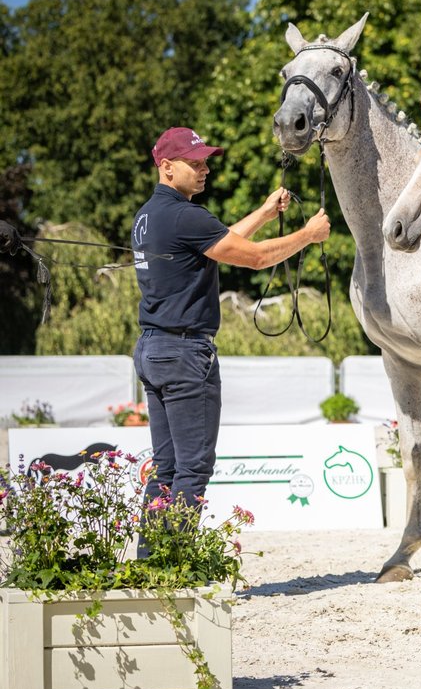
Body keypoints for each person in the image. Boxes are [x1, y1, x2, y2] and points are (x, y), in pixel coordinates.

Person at [132, 127, 330, 535]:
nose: (205, 169)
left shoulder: (149, 215)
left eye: (206, 161)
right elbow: (255, 259)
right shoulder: (186, 216)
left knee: (166, 467)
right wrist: (308, 236)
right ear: (167, 167)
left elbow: (219, 242)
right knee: (192, 468)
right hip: (185, 353)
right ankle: (175, 564)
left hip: (153, 348)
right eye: (195, 162)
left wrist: (264, 212)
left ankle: (151, 559)